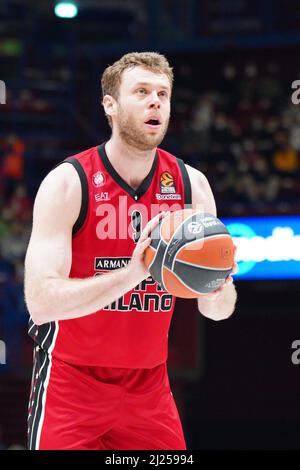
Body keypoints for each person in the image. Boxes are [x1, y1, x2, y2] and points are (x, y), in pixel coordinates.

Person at [24, 52, 237, 450]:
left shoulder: (193, 186)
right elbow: (41, 303)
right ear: (110, 104)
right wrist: (133, 273)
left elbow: (217, 311)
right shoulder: (69, 182)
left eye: (163, 93)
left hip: (150, 385)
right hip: (71, 381)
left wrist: (218, 284)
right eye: (141, 92)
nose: (155, 101)